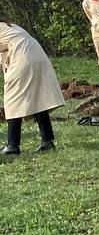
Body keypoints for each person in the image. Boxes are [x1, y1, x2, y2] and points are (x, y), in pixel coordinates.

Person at [0, 20, 64, 155]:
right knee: (38, 98)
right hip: (37, 55)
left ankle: (13, 145)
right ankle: (47, 141)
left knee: (12, 100)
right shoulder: (9, 26)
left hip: (22, 57)